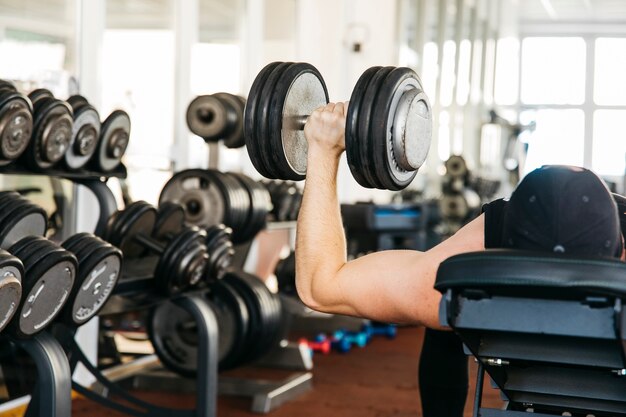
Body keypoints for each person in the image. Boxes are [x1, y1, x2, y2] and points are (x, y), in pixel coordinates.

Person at [296, 102, 626, 416]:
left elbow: (320, 285)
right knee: (447, 306)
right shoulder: (444, 284)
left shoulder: (444, 286)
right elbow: (319, 289)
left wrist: (324, 150)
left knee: (447, 310)